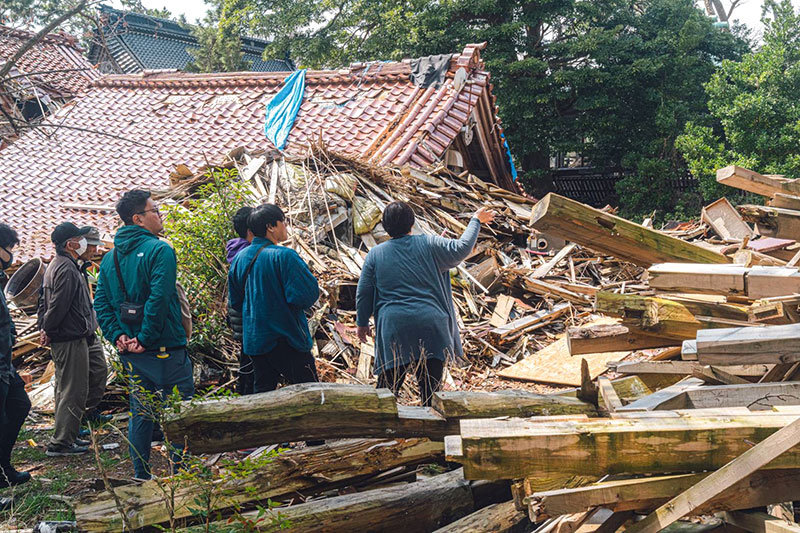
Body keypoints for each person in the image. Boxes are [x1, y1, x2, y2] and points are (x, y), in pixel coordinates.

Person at [94, 189, 193, 480]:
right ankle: (182, 477)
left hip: (132, 353)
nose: (160, 215)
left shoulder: (111, 258)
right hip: (165, 347)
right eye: (155, 210)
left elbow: (101, 302)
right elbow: (159, 298)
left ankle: (141, 475)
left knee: (141, 412)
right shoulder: (160, 250)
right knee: (180, 413)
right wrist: (146, 337)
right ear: (138, 219)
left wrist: (118, 336)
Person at [356, 202, 495, 406]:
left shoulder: (375, 255)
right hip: (431, 327)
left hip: (394, 329)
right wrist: (475, 221)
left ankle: (383, 432)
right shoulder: (430, 244)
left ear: (385, 227)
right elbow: (463, 247)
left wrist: (362, 323)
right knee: (430, 392)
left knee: (387, 390)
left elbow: (364, 292)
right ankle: (429, 433)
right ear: (412, 223)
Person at [228, 204, 320, 394]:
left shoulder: (239, 259)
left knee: (261, 397)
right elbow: (306, 295)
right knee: (312, 394)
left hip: (255, 344)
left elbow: (236, 303)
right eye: (283, 222)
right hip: (287, 339)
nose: (285, 226)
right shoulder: (284, 256)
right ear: (271, 226)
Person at [39, 223, 107, 457]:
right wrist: (47, 328)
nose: (88, 244)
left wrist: (45, 326)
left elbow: (43, 301)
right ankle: (61, 443)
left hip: (79, 335)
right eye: (82, 239)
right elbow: (56, 305)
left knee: (85, 380)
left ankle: (71, 429)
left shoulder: (67, 265)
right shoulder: (65, 268)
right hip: (69, 338)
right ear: (71, 244)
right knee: (72, 390)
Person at [0, 224, 31, 488]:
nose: (11, 254)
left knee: (20, 405)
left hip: (4, 364)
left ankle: (3, 467)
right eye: (9, 248)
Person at [226, 206, 254, 395]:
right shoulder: (249, 256)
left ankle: (242, 395)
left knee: (247, 363)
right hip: (249, 321)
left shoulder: (236, 251)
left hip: (239, 318)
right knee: (253, 366)